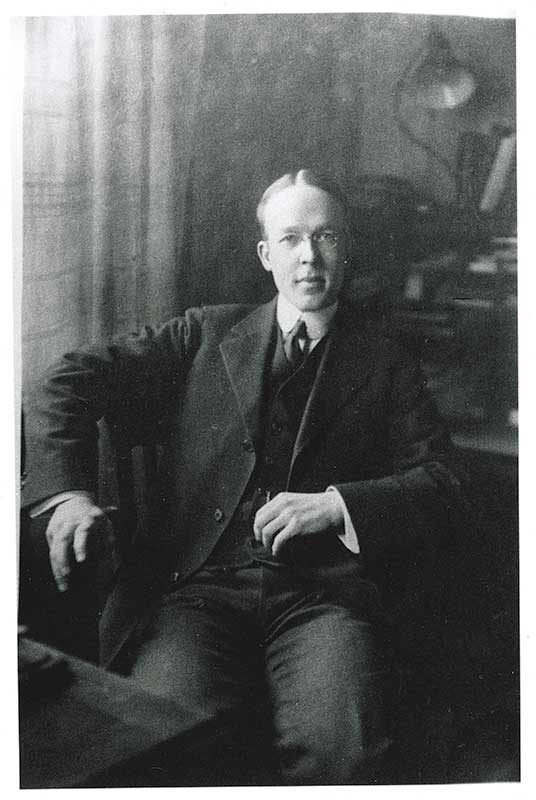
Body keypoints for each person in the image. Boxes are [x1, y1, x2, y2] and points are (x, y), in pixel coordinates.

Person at [22, 169, 471, 785]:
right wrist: (70, 497)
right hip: (193, 593)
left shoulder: (385, 361)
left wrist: (337, 506)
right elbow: (64, 382)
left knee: (344, 754)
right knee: (169, 744)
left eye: (326, 236)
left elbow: (445, 481)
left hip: (321, 598)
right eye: (291, 239)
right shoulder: (204, 333)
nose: (310, 256)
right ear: (266, 255)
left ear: (347, 249)